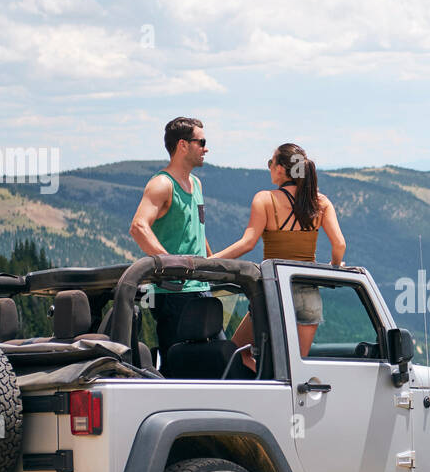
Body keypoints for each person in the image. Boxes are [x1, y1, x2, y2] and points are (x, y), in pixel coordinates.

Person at [216, 143, 345, 373]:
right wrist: (334, 267)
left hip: (273, 290)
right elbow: (340, 244)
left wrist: (212, 261)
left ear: (281, 169)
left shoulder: (265, 200)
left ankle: (264, 385)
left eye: (270, 163)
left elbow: (247, 243)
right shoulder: (321, 202)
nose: (269, 168)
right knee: (297, 367)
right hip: (308, 289)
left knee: (239, 350)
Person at [129, 117, 221, 368]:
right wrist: (171, 266)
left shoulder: (196, 184)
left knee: (215, 361)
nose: (206, 148)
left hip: (201, 288)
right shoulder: (162, 184)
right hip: (174, 294)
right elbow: (138, 227)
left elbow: (197, 230)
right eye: (201, 142)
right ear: (183, 145)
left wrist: (213, 266)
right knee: (180, 366)